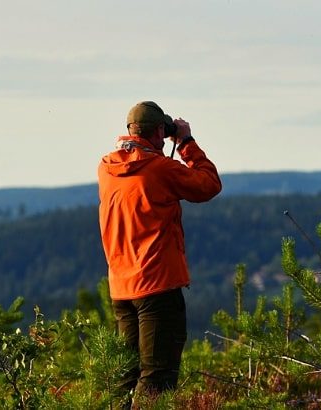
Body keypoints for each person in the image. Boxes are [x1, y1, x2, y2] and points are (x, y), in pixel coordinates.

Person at [97, 101, 222, 401]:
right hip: (157, 288)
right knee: (157, 380)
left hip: (122, 290)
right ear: (158, 132)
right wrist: (186, 142)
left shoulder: (106, 168)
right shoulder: (160, 169)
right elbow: (208, 185)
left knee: (126, 378)